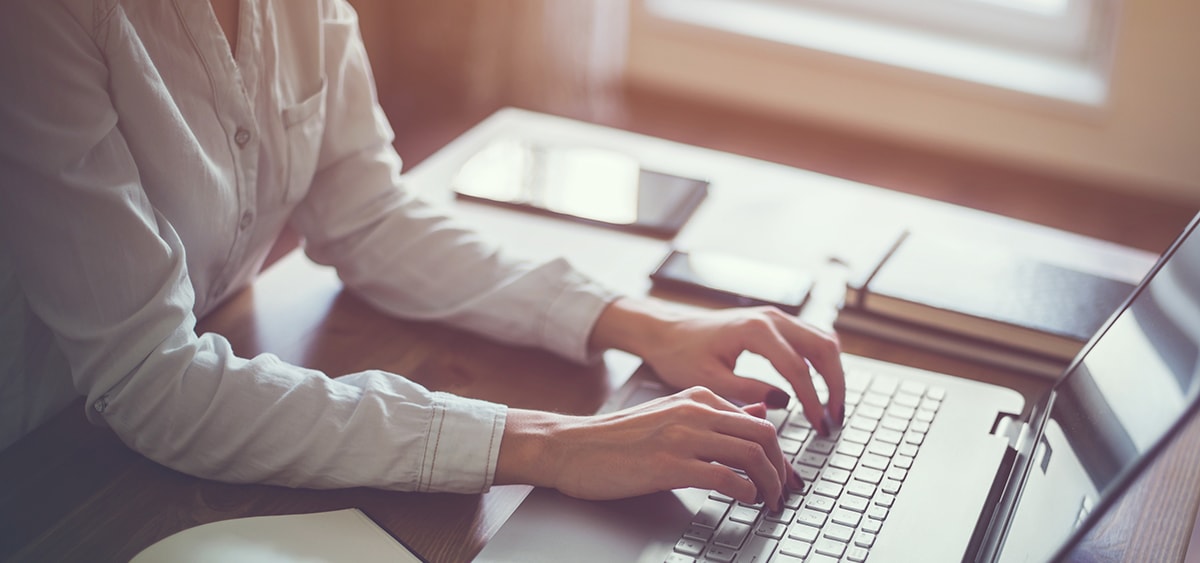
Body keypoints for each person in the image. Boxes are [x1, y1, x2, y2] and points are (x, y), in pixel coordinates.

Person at [0, 0, 844, 514]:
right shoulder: (42, 20)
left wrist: (637, 320)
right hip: (40, 475)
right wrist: (550, 444)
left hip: (165, 441)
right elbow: (152, 380)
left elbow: (367, 216)